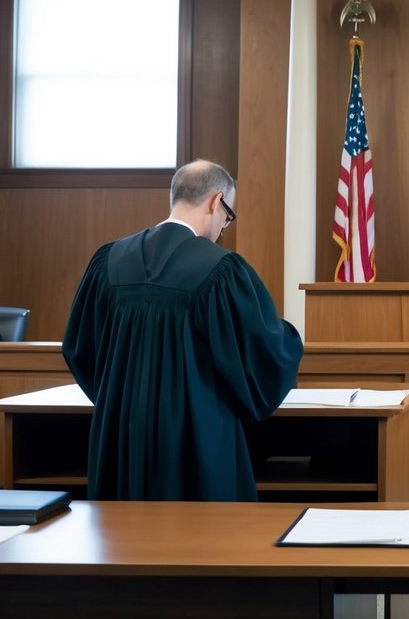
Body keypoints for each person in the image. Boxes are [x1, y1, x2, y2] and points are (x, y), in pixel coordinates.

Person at [62, 159, 302, 501]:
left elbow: (79, 348)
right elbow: (261, 352)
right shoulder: (220, 269)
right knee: (198, 540)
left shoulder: (110, 259)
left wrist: (121, 395)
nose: (222, 229)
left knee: (120, 540)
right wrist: (290, 337)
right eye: (227, 218)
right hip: (196, 433)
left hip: (119, 432)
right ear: (216, 202)